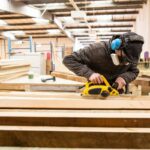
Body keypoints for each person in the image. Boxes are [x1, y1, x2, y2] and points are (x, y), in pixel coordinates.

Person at [63, 32, 144, 90]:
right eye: (124, 58)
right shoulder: (95, 50)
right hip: (95, 90)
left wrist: (124, 78)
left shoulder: (131, 57)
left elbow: (134, 71)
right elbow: (68, 59)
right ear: (116, 46)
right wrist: (90, 74)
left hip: (116, 90)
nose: (126, 63)